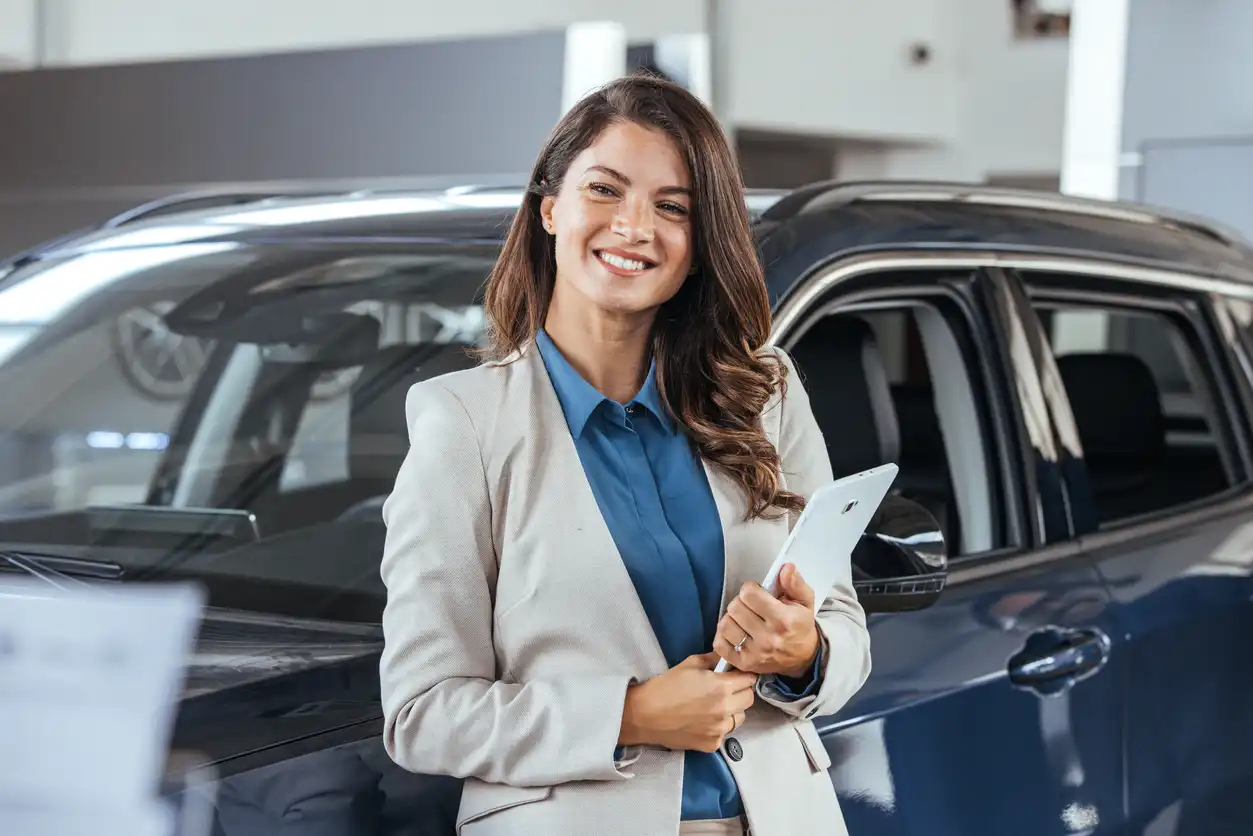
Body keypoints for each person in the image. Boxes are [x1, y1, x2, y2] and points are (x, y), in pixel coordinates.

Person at [378, 71, 872, 836]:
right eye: (604, 190)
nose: (634, 226)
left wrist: (803, 649)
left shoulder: (762, 394)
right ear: (549, 208)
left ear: (698, 241)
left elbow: (842, 628)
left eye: (671, 206)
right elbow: (421, 714)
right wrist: (630, 714)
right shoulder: (463, 423)